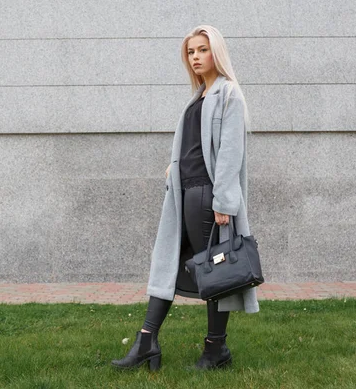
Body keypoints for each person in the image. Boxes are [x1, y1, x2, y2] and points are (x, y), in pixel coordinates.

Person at [111, 25, 259, 371]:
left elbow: (230, 152)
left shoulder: (228, 93)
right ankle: (147, 340)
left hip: (208, 195)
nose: (195, 57)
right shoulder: (199, 96)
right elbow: (196, 144)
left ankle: (214, 350)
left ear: (216, 52)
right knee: (168, 262)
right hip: (185, 192)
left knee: (214, 268)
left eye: (202, 50)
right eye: (191, 52)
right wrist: (174, 165)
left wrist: (224, 202)